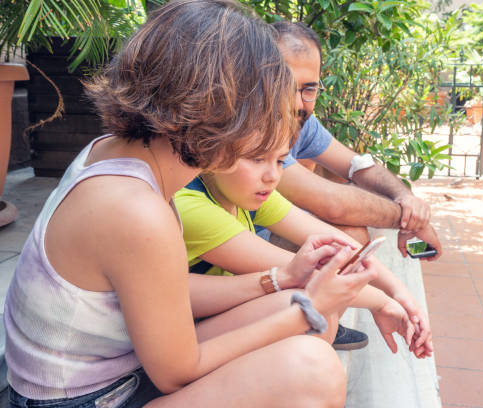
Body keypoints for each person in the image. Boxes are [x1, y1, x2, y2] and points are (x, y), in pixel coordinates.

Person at [2, 1, 377, 407]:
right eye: (269, 106)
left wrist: (283, 277)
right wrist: (309, 309)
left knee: (299, 315)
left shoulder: (118, 154)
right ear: (225, 109)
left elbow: (162, 291)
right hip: (81, 398)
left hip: (115, 366)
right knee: (312, 366)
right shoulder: (136, 209)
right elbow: (176, 375)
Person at [175, 140, 434, 358]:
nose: (272, 176)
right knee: (311, 314)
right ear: (212, 149)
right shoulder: (191, 206)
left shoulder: (241, 189)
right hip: (177, 339)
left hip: (216, 315)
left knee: (317, 311)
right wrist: (382, 302)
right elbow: (306, 273)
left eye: (279, 161)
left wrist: (399, 293)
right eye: (256, 159)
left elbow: (336, 241)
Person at [268, 21, 442, 257]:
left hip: (262, 239)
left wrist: (405, 197)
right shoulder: (253, 130)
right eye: (285, 87)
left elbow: (357, 165)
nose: (298, 103)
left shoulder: (302, 122)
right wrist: (411, 219)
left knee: (350, 237)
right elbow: (332, 203)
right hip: (231, 256)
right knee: (348, 238)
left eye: (309, 89)